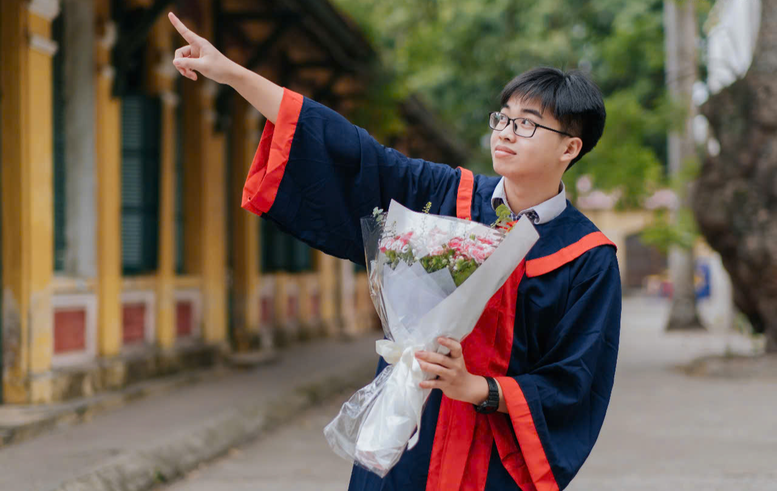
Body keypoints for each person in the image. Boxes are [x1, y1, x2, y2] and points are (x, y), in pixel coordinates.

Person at [169, 11, 621, 491]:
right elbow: (351, 151)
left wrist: (478, 388)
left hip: (493, 458)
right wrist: (233, 73)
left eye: (527, 125)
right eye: (503, 118)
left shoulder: (586, 257)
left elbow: (576, 381)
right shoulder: (447, 195)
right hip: (408, 435)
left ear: (569, 149)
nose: (506, 132)